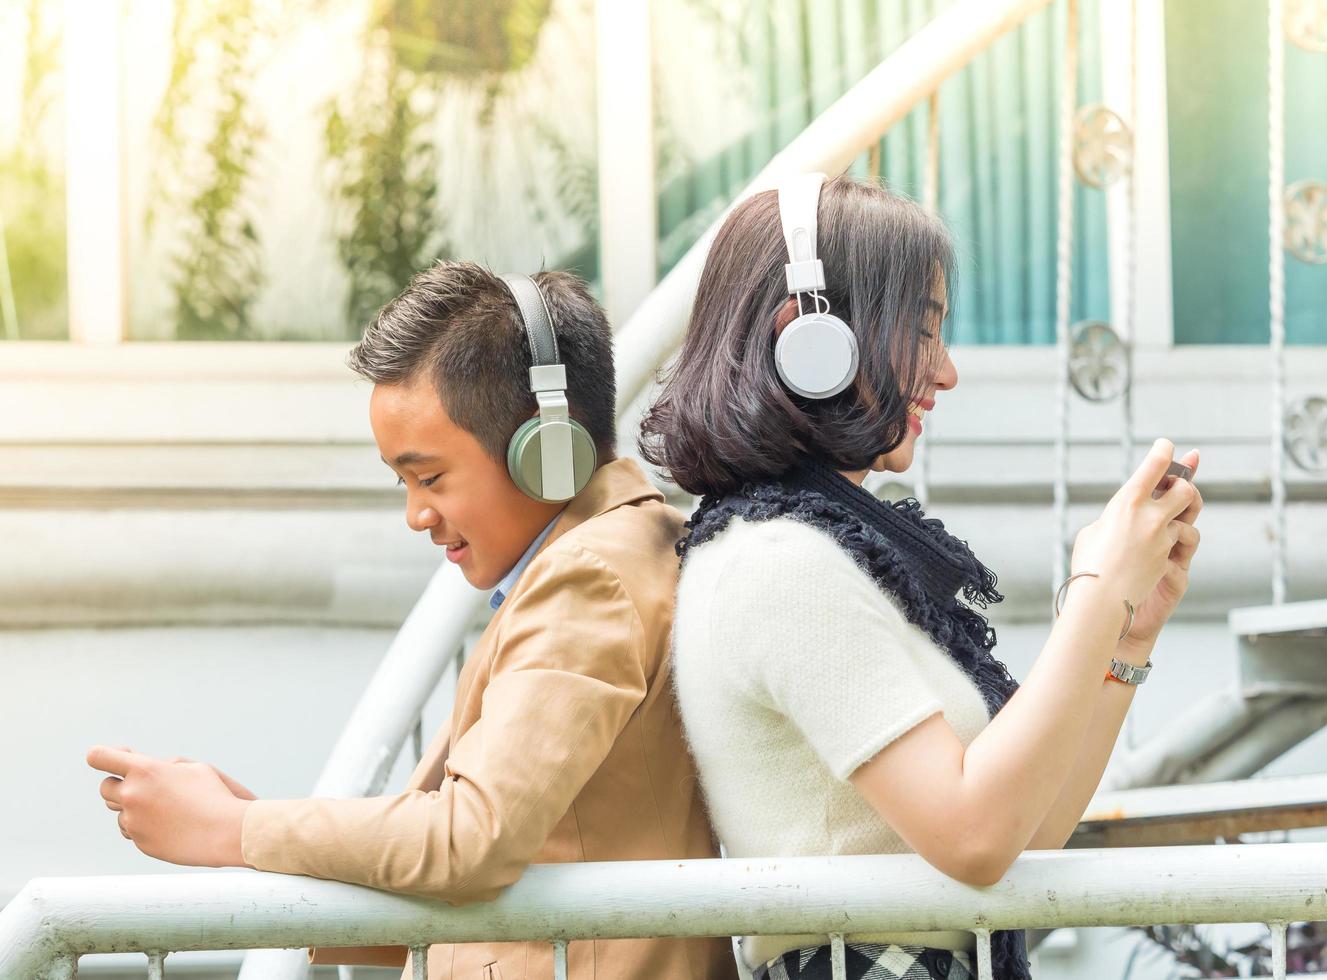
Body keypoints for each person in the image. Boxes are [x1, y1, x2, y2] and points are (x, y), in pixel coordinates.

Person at [87, 262, 738, 980]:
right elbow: (513, 873)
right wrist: (270, 834)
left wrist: (230, 830)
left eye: (429, 477)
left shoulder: (591, 581)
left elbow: (470, 839)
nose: (416, 515)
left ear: (548, 453)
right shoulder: (605, 557)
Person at [639, 174, 1203, 980]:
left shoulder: (807, 544)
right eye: (923, 330)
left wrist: (1124, 639)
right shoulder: (777, 563)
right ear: (809, 338)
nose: (946, 372)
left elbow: (1024, 830)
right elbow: (973, 836)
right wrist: (1094, 591)